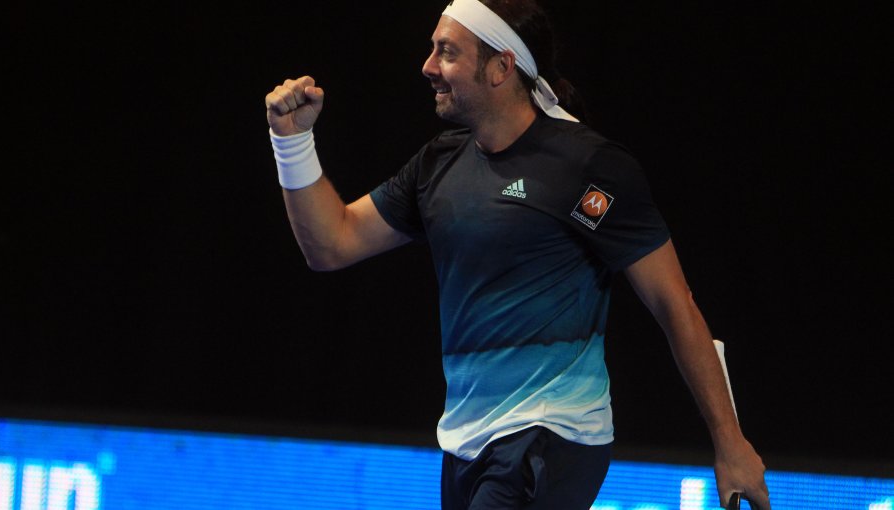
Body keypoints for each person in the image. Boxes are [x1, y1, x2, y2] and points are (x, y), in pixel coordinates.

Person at [264, 0, 771, 508]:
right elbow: (331, 244)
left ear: (501, 67)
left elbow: (674, 304)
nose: (428, 66)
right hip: (466, 444)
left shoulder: (589, 167)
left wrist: (730, 441)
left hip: (552, 434)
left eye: (447, 52)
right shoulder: (439, 163)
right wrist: (293, 142)